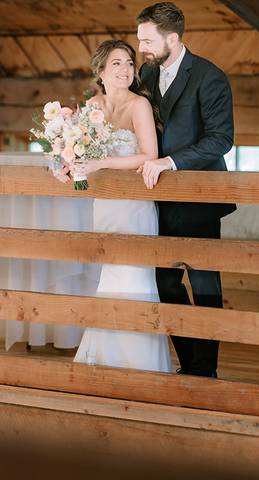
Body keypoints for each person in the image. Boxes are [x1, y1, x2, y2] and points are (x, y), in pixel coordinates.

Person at [53, 39, 170, 372]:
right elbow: (79, 152)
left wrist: (99, 161)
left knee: (134, 278)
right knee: (108, 277)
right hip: (104, 204)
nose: (126, 70)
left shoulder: (139, 106)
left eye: (130, 63)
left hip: (133, 205)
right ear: (101, 70)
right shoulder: (92, 106)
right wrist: (67, 163)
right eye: (117, 63)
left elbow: (149, 155)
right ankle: (106, 360)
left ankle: (139, 363)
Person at [136, 2, 235, 378]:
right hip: (156, 198)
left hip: (200, 197)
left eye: (147, 39)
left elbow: (221, 139)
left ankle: (205, 370)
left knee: (205, 284)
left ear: (172, 38)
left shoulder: (209, 76)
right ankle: (189, 362)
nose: (141, 46)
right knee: (164, 282)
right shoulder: (146, 72)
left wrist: (170, 161)